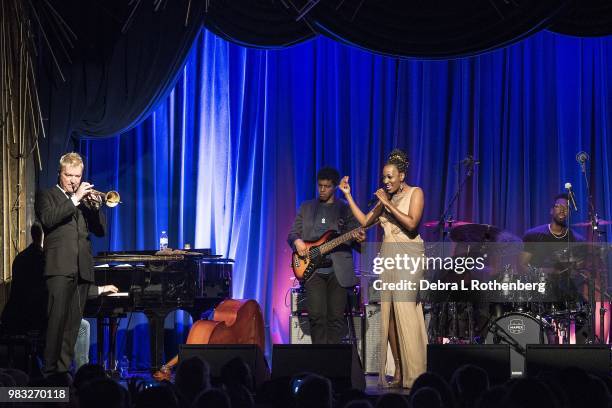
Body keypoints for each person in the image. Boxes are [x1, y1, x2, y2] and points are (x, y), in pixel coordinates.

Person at [339, 149, 427, 388]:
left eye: (390, 177)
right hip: (388, 257)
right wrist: (348, 195)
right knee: (389, 316)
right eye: (384, 178)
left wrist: (387, 203)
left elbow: (411, 223)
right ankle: (398, 368)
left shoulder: (415, 192)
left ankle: (415, 372)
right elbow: (365, 222)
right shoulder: (384, 200)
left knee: (405, 311)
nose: (386, 182)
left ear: (402, 175)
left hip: (409, 257)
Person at [35, 152, 106, 377]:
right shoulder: (46, 195)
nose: (73, 180)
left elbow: (101, 231)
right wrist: (74, 199)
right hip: (59, 268)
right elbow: (48, 219)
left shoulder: (84, 203)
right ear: (60, 173)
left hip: (82, 270)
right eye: (69, 175)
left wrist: (94, 209)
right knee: (55, 324)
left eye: (77, 176)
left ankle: (63, 373)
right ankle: (48, 373)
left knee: (72, 327)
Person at [287, 167, 365, 344]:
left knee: (336, 318)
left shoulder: (344, 210)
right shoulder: (306, 207)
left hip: (337, 270)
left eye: (327, 186)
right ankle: (320, 362)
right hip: (313, 271)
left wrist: (359, 239)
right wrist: (297, 242)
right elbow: (292, 234)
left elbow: (356, 237)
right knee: (316, 317)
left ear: (335, 187)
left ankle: (333, 362)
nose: (322, 190)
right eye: (320, 186)